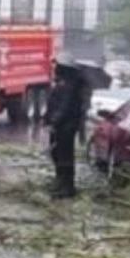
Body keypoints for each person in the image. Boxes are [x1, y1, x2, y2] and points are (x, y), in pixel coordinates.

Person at [44, 53, 86, 199]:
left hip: (66, 127)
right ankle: (60, 182)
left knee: (65, 156)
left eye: (58, 66)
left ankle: (67, 187)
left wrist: (54, 122)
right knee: (56, 154)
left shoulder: (70, 85)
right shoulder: (62, 82)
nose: (55, 68)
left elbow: (64, 107)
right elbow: (53, 103)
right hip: (60, 126)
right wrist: (48, 120)